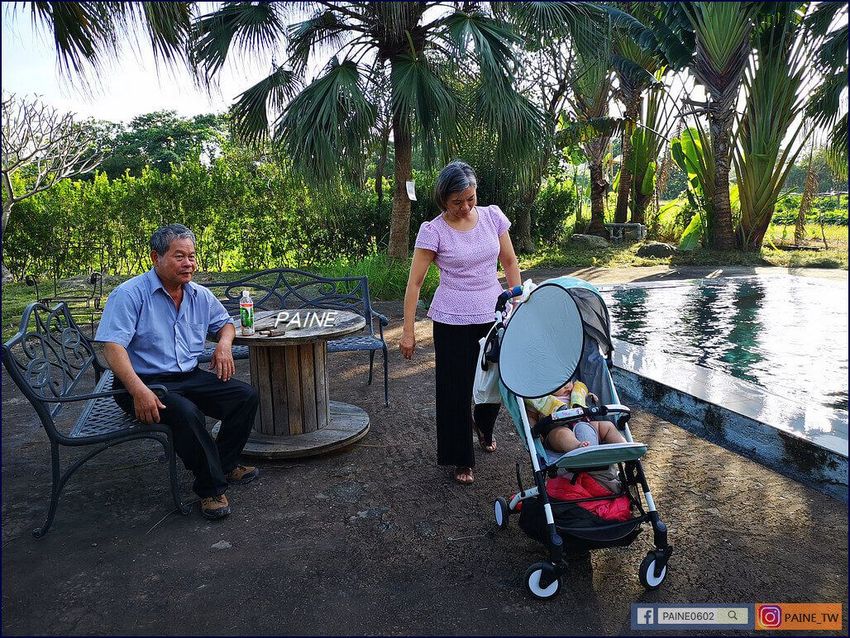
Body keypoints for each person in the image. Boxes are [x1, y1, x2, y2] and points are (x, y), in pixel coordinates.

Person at [95, 224, 260, 520]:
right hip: (141, 382)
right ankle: (211, 488)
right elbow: (112, 347)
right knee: (187, 413)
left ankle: (223, 465)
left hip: (187, 376)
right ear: (155, 257)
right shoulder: (129, 294)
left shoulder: (199, 295)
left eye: (192, 256)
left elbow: (225, 324)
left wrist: (224, 345)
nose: (188, 264)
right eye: (179, 256)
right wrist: (138, 391)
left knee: (244, 396)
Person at [400, 161, 521, 485]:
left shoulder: (493, 216)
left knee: (494, 381)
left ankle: (484, 426)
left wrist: (517, 303)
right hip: (451, 319)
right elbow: (415, 283)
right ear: (443, 200)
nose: (466, 207)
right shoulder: (433, 230)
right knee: (454, 390)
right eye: (457, 202)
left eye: (470, 198)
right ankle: (461, 458)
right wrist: (408, 331)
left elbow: (510, 261)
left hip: (493, 313)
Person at [525, 379, 626, 453]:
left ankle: (623, 446)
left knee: (607, 426)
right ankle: (577, 447)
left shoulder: (575, 393)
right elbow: (532, 416)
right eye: (561, 384)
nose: (567, 386)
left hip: (586, 424)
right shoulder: (540, 400)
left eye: (569, 381)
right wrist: (533, 429)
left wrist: (590, 397)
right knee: (563, 434)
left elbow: (585, 399)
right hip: (557, 429)